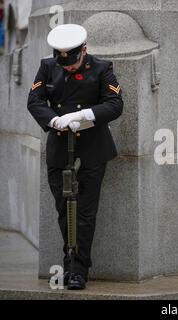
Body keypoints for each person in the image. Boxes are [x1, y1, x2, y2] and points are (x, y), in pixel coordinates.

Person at [27, 24, 123, 290]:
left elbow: (115, 104)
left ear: (84, 50)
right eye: (63, 62)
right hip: (60, 149)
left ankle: (78, 270)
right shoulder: (48, 66)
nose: (67, 67)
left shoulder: (103, 69)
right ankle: (68, 264)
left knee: (85, 212)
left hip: (92, 151)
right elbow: (34, 100)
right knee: (63, 210)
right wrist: (54, 120)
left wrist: (83, 116)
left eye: (73, 61)